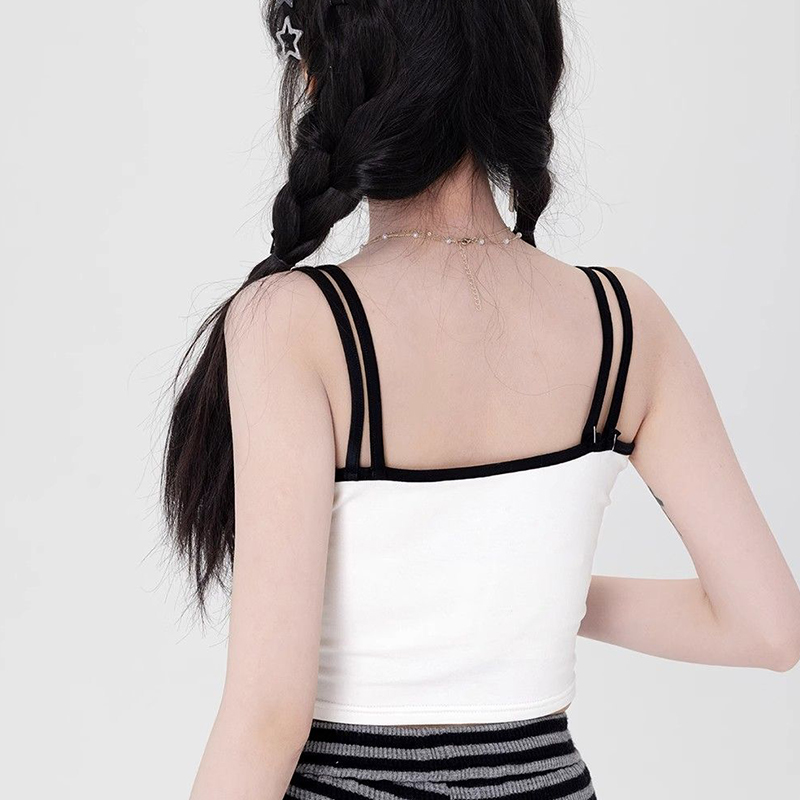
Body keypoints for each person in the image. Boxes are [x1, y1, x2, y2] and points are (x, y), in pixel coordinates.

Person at [161, 1, 800, 798]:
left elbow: (266, 718)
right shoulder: (624, 321)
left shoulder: (297, 323)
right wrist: (539, 597)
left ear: (325, 81)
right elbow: (769, 628)